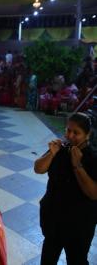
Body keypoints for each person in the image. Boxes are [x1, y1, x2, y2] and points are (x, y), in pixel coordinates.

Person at [34, 113, 97, 265]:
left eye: (76, 133)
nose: (70, 136)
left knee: (77, 260)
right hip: (54, 220)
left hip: (79, 225)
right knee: (48, 258)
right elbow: (38, 168)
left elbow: (93, 193)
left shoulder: (93, 157)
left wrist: (77, 165)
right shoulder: (60, 149)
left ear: (87, 134)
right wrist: (52, 153)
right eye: (68, 130)